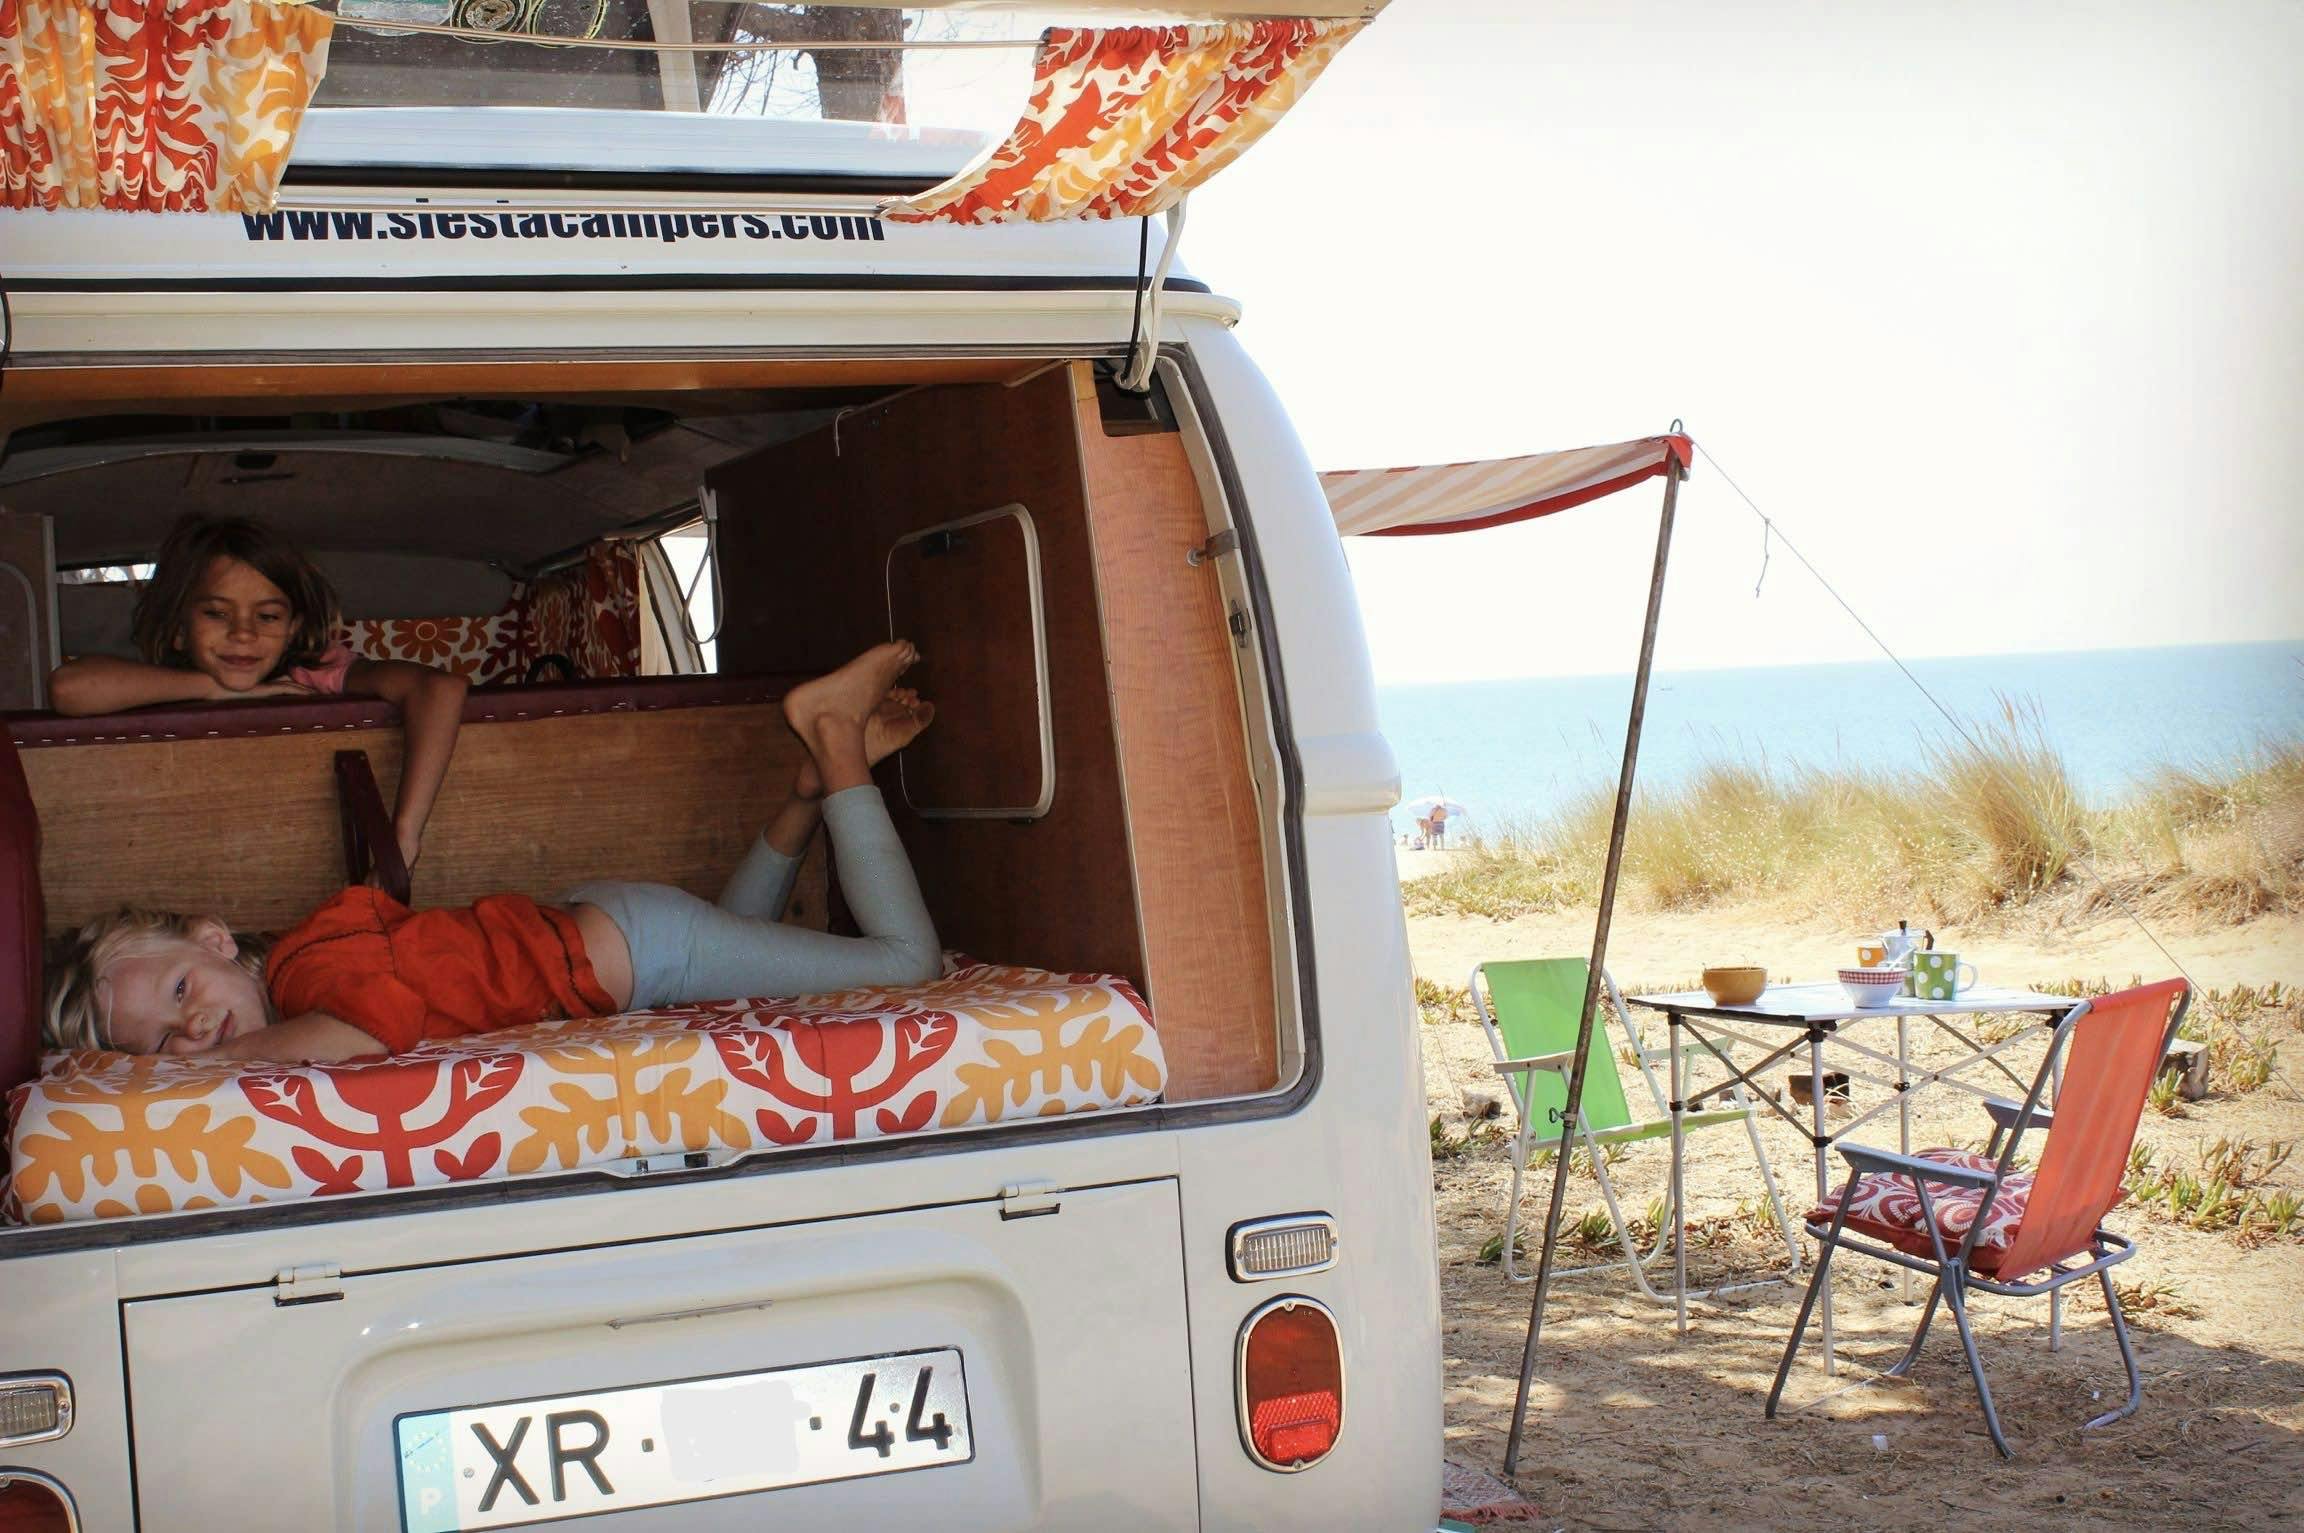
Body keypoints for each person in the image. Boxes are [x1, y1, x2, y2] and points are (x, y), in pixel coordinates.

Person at [43, 642, 942, 1065]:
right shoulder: (316, 945)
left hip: (631, 947)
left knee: (909, 968)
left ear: (210, 939)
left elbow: (367, 1033)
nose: (193, 1030)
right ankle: (814, 788)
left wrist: (216, 1068)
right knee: (741, 940)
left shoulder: (313, 986)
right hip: (614, 934)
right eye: (163, 1041)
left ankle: (833, 735)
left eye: (180, 993)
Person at [47, 514, 470, 873]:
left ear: (293, 629)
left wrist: (401, 840)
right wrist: (216, 690)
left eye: (267, 616)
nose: (243, 633)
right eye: (216, 613)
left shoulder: (314, 672)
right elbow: (69, 688)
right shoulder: (154, 682)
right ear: (178, 629)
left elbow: (440, 688)